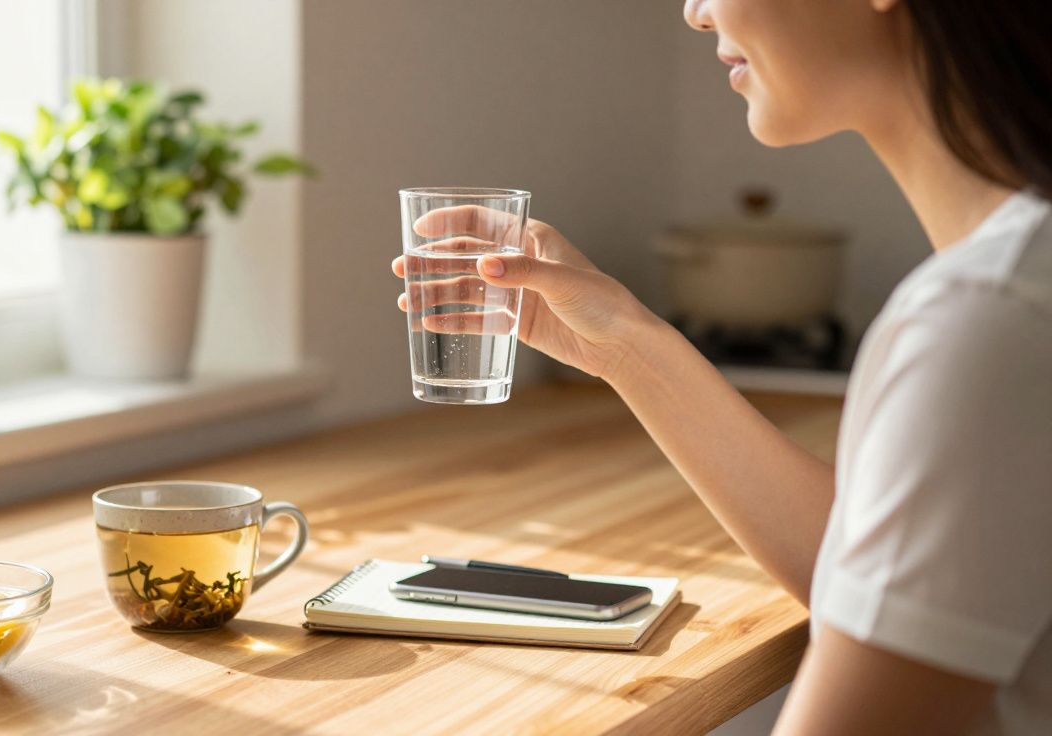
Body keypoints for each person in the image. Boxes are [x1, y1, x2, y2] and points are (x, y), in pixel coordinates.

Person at [392, 1, 1051, 733]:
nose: (696, 12)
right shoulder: (1014, 284)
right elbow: (875, 577)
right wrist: (623, 346)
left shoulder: (992, 317)